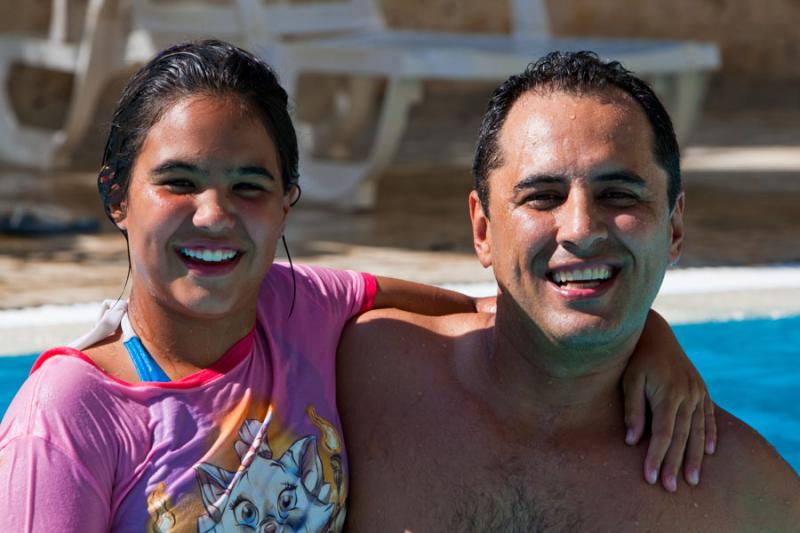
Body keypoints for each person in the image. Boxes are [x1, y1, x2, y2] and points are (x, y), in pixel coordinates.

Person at [0, 42, 713, 531]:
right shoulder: (67, 417)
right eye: (179, 182)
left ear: (288, 203)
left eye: (250, 186)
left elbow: (511, 305)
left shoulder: (308, 307)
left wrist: (650, 334)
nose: (214, 214)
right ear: (116, 196)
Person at [337, 51, 800, 531]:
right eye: (542, 197)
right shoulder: (364, 375)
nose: (580, 229)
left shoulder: (749, 497)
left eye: (619, 195)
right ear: (482, 229)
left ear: (675, 227)